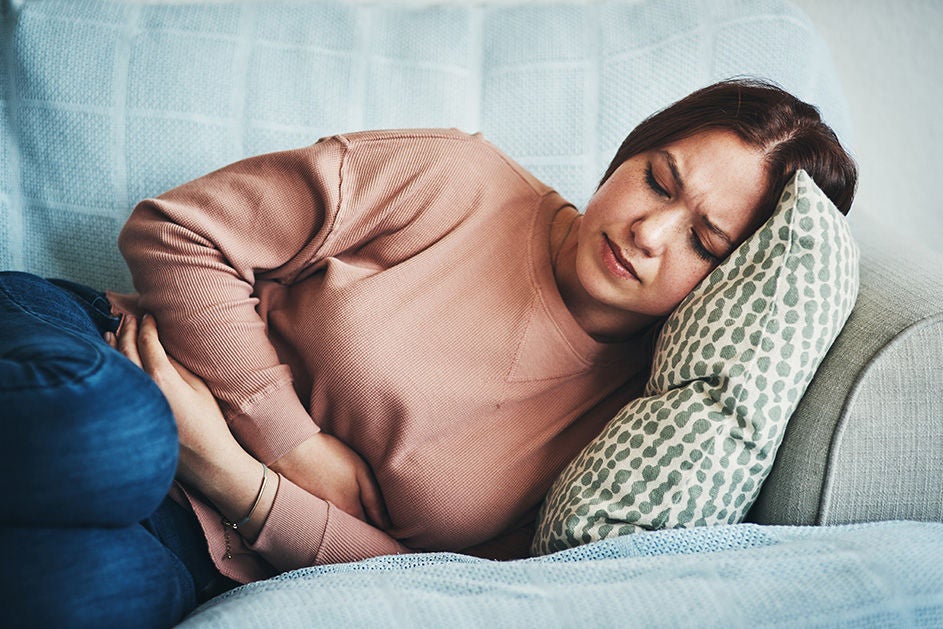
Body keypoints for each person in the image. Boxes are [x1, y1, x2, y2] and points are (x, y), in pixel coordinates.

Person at [0, 78, 857, 627]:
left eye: (703, 241)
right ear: (627, 153)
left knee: (80, 594)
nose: (648, 230)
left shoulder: (627, 432)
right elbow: (178, 232)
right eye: (657, 180)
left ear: (732, 282)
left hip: (196, 551)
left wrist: (241, 480)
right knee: (115, 442)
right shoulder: (458, 179)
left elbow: (447, 584)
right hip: (105, 363)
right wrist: (294, 441)